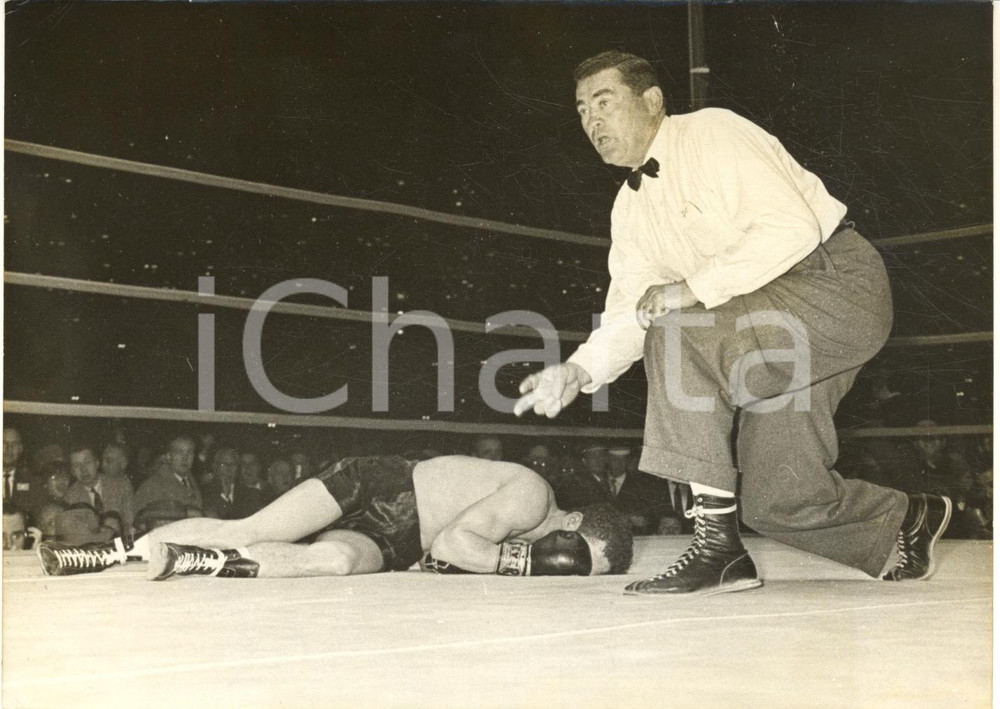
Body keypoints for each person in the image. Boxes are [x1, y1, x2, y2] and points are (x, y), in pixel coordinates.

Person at [514, 50, 950, 596]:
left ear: (652, 102)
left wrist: (691, 289)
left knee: (679, 335)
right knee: (776, 497)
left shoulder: (712, 133)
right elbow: (633, 311)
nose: (592, 122)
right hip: (766, 324)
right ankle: (902, 521)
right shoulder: (630, 209)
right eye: (581, 111)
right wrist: (578, 370)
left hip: (832, 287)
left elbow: (789, 228)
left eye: (604, 103)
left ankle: (718, 550)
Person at [37, 455, 632, 581]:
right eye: (578, 555)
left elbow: (441, 552)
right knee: (251, 526)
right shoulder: (533, 497)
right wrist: (531, 565)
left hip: (399, 538)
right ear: (574, 523)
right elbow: (454, 544)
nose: (569, 567)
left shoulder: (531, 524)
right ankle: (103, 554)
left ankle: (202, 563)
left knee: (339, 562)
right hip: (381, 483)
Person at [63, 442, 135, 533]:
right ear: (72, 471)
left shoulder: (121, 486)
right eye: (77, 465)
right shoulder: (69, 498)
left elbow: (131, 523)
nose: (83, 469)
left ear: (97, 463)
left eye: (87, 462)